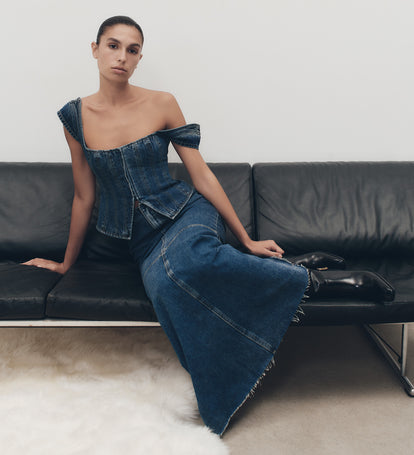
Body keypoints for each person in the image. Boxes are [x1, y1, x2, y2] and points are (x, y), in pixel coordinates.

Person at [21, 16, 393, 435]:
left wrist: (246, 238)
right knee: (166, 287)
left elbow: (200, 175)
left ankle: (318, 282)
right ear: (94, 49)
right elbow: (84, 196)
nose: (121, 57)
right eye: (113, 45)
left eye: (132, 49)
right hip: (141, 241)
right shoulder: (75, 116)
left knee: (188, 262)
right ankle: (291, 268)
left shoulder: (162, 103)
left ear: (140, 58)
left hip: (186, 212)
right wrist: (66, 265)